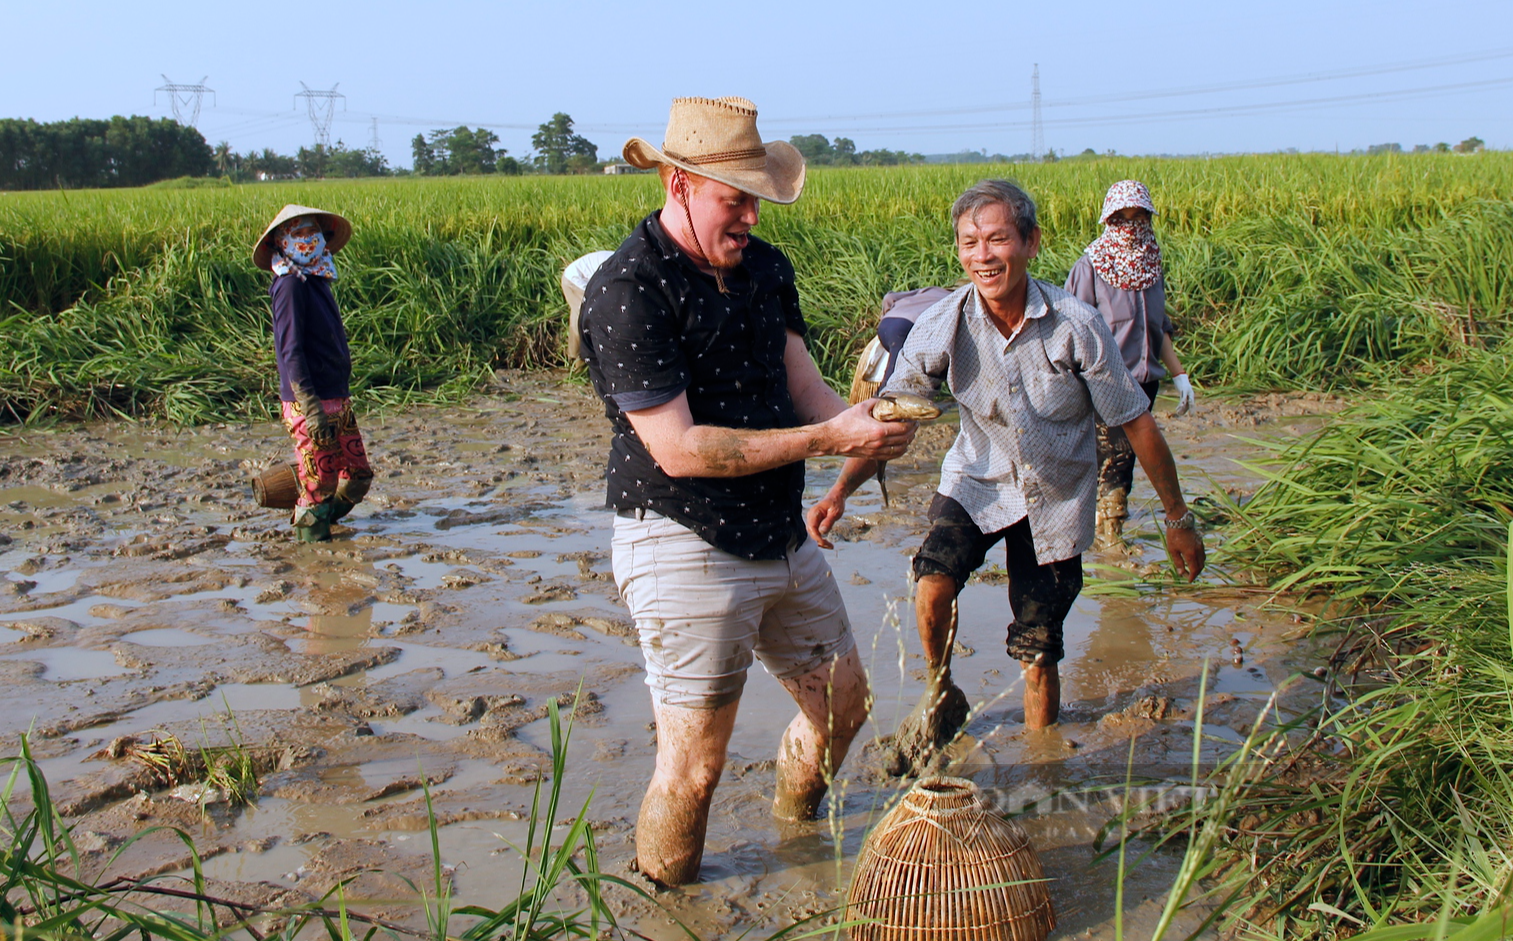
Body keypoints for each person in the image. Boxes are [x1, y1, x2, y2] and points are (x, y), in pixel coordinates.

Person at [578, 96, 917, 887]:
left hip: (777, 528)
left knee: (841, 709)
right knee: (695, 767)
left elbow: (806, 391)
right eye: (735, 199)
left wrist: (858, 420)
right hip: (681, 536)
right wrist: (826, 440)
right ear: (676, 183)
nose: (751, 218)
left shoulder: (765, 269)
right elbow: (680, 450)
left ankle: (794, 834)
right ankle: (667, 901)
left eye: (757, 199)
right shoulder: (629, 289)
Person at [808, 179, 1205, 768]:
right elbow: (891, 417)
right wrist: (840, 490)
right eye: (970, 243)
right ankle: (942, 690)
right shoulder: (944, 323)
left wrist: (1177, 519)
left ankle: (1042, 769)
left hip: (1058, 496)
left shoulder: (1077, 325)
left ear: (1031, 243)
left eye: (997, 240)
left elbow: (1137, 425)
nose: (983, 256)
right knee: (932, 583)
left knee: (1038, 651)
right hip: (978, 479)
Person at [1065, 180, 1194, 547]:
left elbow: (1159, 329)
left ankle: (1106, 534)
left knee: (1126, 460)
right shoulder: (1090, 267)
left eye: (1139, 217)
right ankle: (1109, 538)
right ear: (1109, 219)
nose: (1131, 226)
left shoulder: (1151, 266)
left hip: (1145, 383)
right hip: (1105, 385)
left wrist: (1179, 374)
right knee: (1113, 460)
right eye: (1122, 218)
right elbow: (1070, 331)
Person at [252, 204, 373, 543]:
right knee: (319, 484)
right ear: (281, 243)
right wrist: (310, 405)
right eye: (298, 234)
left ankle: (315, 521)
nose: (308, 240)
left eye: (313, 232)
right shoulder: (289, 286)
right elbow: (291, 351)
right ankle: (314, 547)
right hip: (311, 400)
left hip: (335, 395)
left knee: (358, 475)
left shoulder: (317, 279)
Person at [561, 250, 614, 360]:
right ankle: (581, 361)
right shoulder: (622, 267)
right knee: (589, 318)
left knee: (579, 318)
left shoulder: (625, 261)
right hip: (576, 280)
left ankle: (574, 359)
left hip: (580, 277)